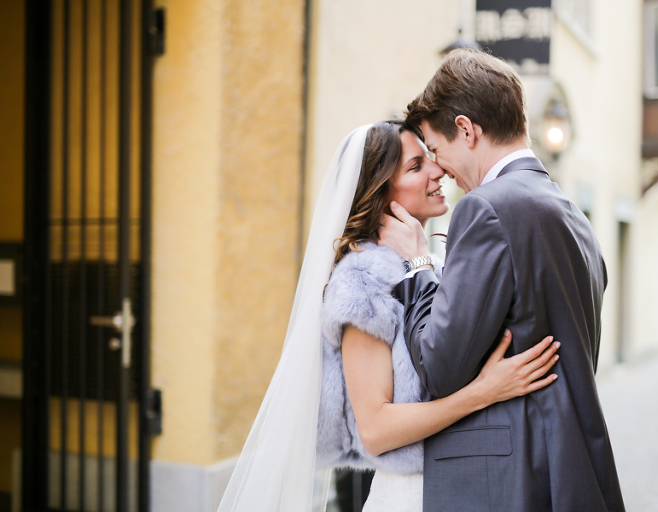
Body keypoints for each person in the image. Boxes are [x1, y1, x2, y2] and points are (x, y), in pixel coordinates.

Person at [216, 121, 559, 512]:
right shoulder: (365, 280)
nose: (438, 171)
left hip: (457, 487)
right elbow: (376, 429)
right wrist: (483, 392)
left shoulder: (427, 266)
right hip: (411, 497)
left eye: (431, 158)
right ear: (381, 194)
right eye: (416, 167)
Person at [378, 49, 626, 512]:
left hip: (504, 485)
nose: (441, 168)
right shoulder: (574, 217)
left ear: (467, 130)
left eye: (437, 149)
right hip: (568, 472)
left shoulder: (485, 208)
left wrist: (417, 266)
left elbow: (439, 365)